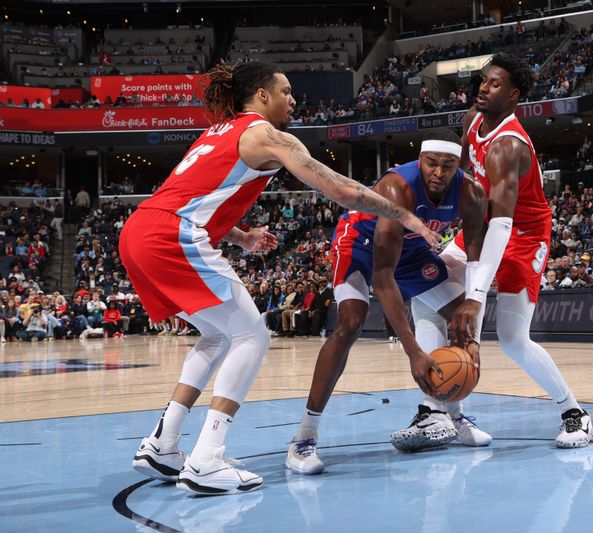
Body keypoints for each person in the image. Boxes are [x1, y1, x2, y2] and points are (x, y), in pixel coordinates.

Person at [122, 60, 439, 496]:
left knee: (216, 336)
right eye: (286, 91)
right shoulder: (265, 134)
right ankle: (207, 458)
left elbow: (186, 195)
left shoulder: (220, 131)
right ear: (263, 96)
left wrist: (242, 236)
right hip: (171, 236)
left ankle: (162, 443)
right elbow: (341, 190)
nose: (294, 99)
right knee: (253, 335)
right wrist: (401, 212)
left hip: (142, 230)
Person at [285, 129, 488, 475]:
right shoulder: (398, 186)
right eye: (431, 164)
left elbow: (475, 257)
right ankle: (304, 437)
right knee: (350, 322)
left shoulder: (471, 193)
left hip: (410, 252)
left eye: (448, 165)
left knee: (460, 319)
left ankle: (454, 416)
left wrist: (473, 324)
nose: (438, 172)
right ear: (420, 160)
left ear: (460, 165)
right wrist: (413, 352)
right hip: (359, 247)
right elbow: (382, 277)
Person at [447, 52, 593, 448]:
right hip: (484, 223)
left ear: (513, 97)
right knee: (434, 287)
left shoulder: (508, 146)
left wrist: (476, 295)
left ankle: (575, 413)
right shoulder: (471, 120)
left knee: (512, 338)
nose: (483, 87)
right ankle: (439, 415)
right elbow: (462, 180)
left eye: (494, 84)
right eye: (482, 80)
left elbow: (503, 223)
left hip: (523, 233)